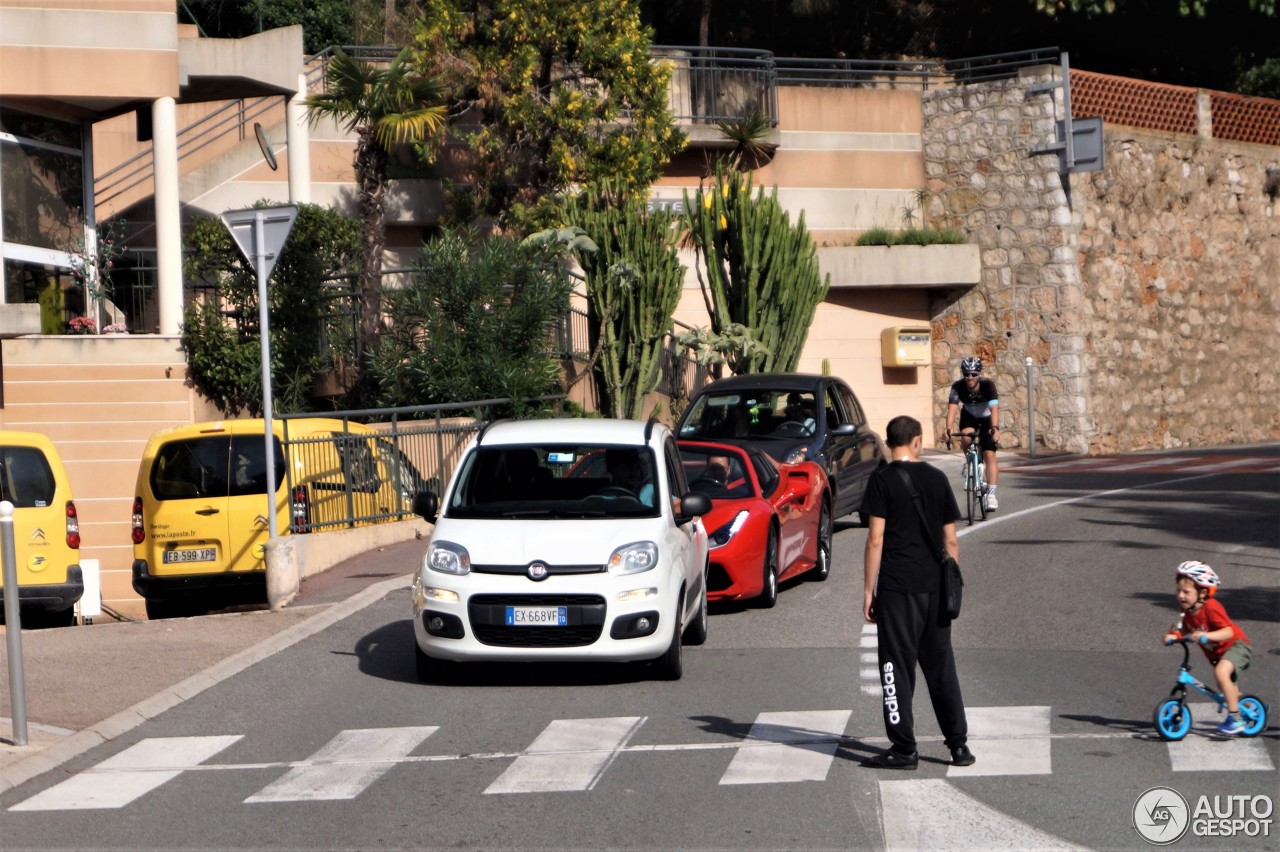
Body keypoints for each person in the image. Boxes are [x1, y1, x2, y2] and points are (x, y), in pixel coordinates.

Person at [860, 414, 973, 769]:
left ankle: (904, 748)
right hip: (935, 590)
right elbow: (951, 539)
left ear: (889, 443)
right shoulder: (938, 479)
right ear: (918, 441)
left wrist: (868, 591)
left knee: (896, 667)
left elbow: (875, 538)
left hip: (897, 588)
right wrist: (952, 583)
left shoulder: (880, 481)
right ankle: (958, 746)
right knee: (941, 667)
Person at [1163, 560, 1253, 736]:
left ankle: (1235, 719)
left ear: (1203, 592)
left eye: (1186, 592)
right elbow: (1182, 629)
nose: (1180, 596)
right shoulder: (1188, 611)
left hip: (1237, 646)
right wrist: (1173, 636)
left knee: (1221, 674)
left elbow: (1228, 631)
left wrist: (1207, 636)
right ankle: (1253, 709)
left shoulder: (1211, 607)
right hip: (1218, 654)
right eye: (1178, 591)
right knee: (1231, 693)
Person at [943, 356, 1001, 510]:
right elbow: (953, 409)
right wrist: (948, 429)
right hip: (969, 416)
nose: (970, 377)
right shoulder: (957, 387)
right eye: (967, 374)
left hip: (987, 417)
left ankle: (991, 494)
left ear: (979, 374)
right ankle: (970, 462)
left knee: (989, 454)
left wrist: (995, 428)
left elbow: (994, 409)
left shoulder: (988, 385)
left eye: (974, 374)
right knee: (966, 437)